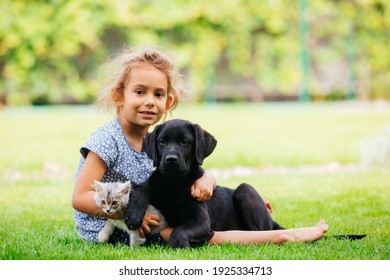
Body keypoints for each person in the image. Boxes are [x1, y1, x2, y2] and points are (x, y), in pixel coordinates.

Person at [71, 46, 328, 246]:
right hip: (113, 227)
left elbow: (185, 175)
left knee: (196, 230)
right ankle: (283, 236)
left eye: (158, 94)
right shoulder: (107, 140)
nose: (149, 101)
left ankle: (277, 233)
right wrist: (123, 214)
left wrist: (209, 180)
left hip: (152, 220)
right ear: (119, 96)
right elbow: (80, 197)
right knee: (196, 236)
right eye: (139, 92)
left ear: (168, 102)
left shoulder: (154, 138)